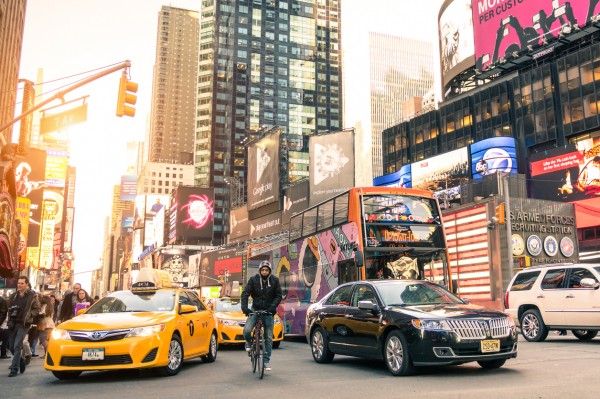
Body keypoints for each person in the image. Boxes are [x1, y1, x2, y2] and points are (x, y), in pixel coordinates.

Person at [241, 260, 282, 372]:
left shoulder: (275, 280)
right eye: (262, 270)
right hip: (255, 310)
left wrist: (271, 308)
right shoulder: (253, 280)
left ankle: (266, 361)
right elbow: (245, 293)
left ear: (269, 271)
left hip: (269, 312)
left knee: (269, 337)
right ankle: (249, 342)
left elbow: (278, 296)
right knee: (247, 330)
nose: (264, 271)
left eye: (266, 270)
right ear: (260, 271)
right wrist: (245, 308)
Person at [7, 276, 40, 377]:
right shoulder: (13, 295)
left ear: (26, 284)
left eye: (22, 283)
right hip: (13, 323)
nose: (19, 285)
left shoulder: (32, 295)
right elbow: (9, 308)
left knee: (17, 346)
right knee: (11, 346)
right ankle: (22, 359)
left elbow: (37, 308)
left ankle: (14, 368)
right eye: (18, 283)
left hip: (24, 323)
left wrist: (30, 315)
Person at [0, 294, 8, 359]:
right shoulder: (3, 300)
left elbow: (3, 313)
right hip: (3, 325)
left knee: (5, 339)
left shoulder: (2, 300)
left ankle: (3, 353)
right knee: (5, 340)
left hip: (2, 325)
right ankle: (3, 354)